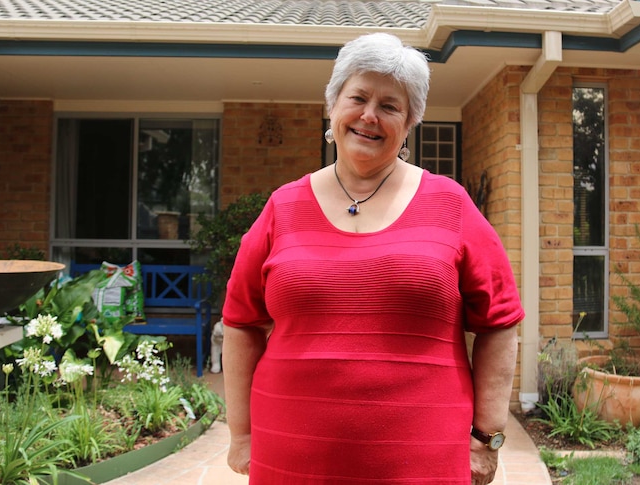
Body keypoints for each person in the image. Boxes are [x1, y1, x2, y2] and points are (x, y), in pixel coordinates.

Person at [222, 32, 524, 485]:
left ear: (409, 122)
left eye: (390, 105)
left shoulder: (451, 204)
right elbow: (241, 321)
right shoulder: (282, 207)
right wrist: (242, 434)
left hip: (423, 461)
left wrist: (487, 437)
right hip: (292, 456)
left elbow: (500, 321)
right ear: (333, 106)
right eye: (358, 97)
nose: (369, 116)